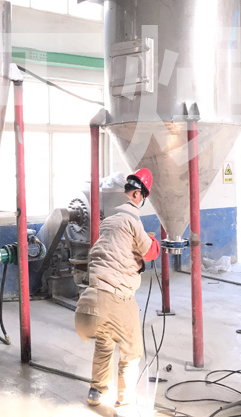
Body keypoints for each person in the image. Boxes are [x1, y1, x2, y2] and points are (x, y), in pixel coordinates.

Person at [75, 168, 160, 408]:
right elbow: (150, 252)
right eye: (143, 196)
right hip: (115, 298)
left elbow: (116, 251)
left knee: (105, 342)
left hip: (88, 304)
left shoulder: (109, 221)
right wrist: (154, 242)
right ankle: (125, 400)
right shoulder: (132, 219)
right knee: (132, 350)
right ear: (138, 194)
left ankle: (96, 391)